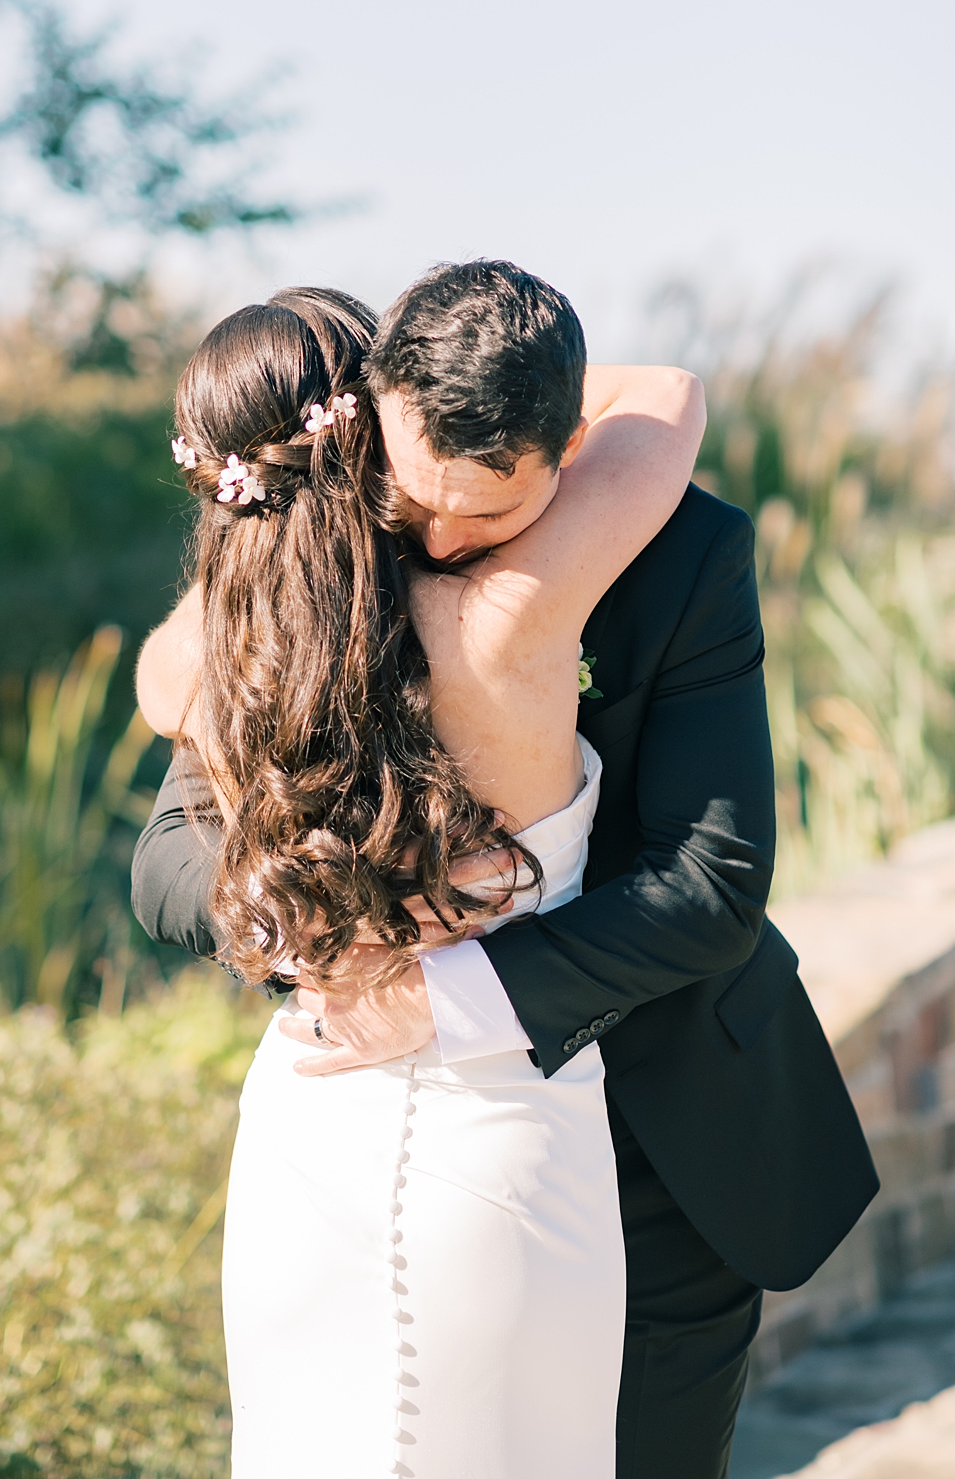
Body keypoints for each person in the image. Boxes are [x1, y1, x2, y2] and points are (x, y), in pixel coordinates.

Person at [132, 265, 877, 1478]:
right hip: (404, 1158)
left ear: (568, 450)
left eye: (486, 517)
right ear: (373, 420)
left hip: (667, 1145)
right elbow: (169, 856)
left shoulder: (686, 554)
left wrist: (448, 996)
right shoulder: (324, 555)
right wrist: (324, 935)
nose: (436, 542)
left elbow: (712, 882)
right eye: (417, 498)